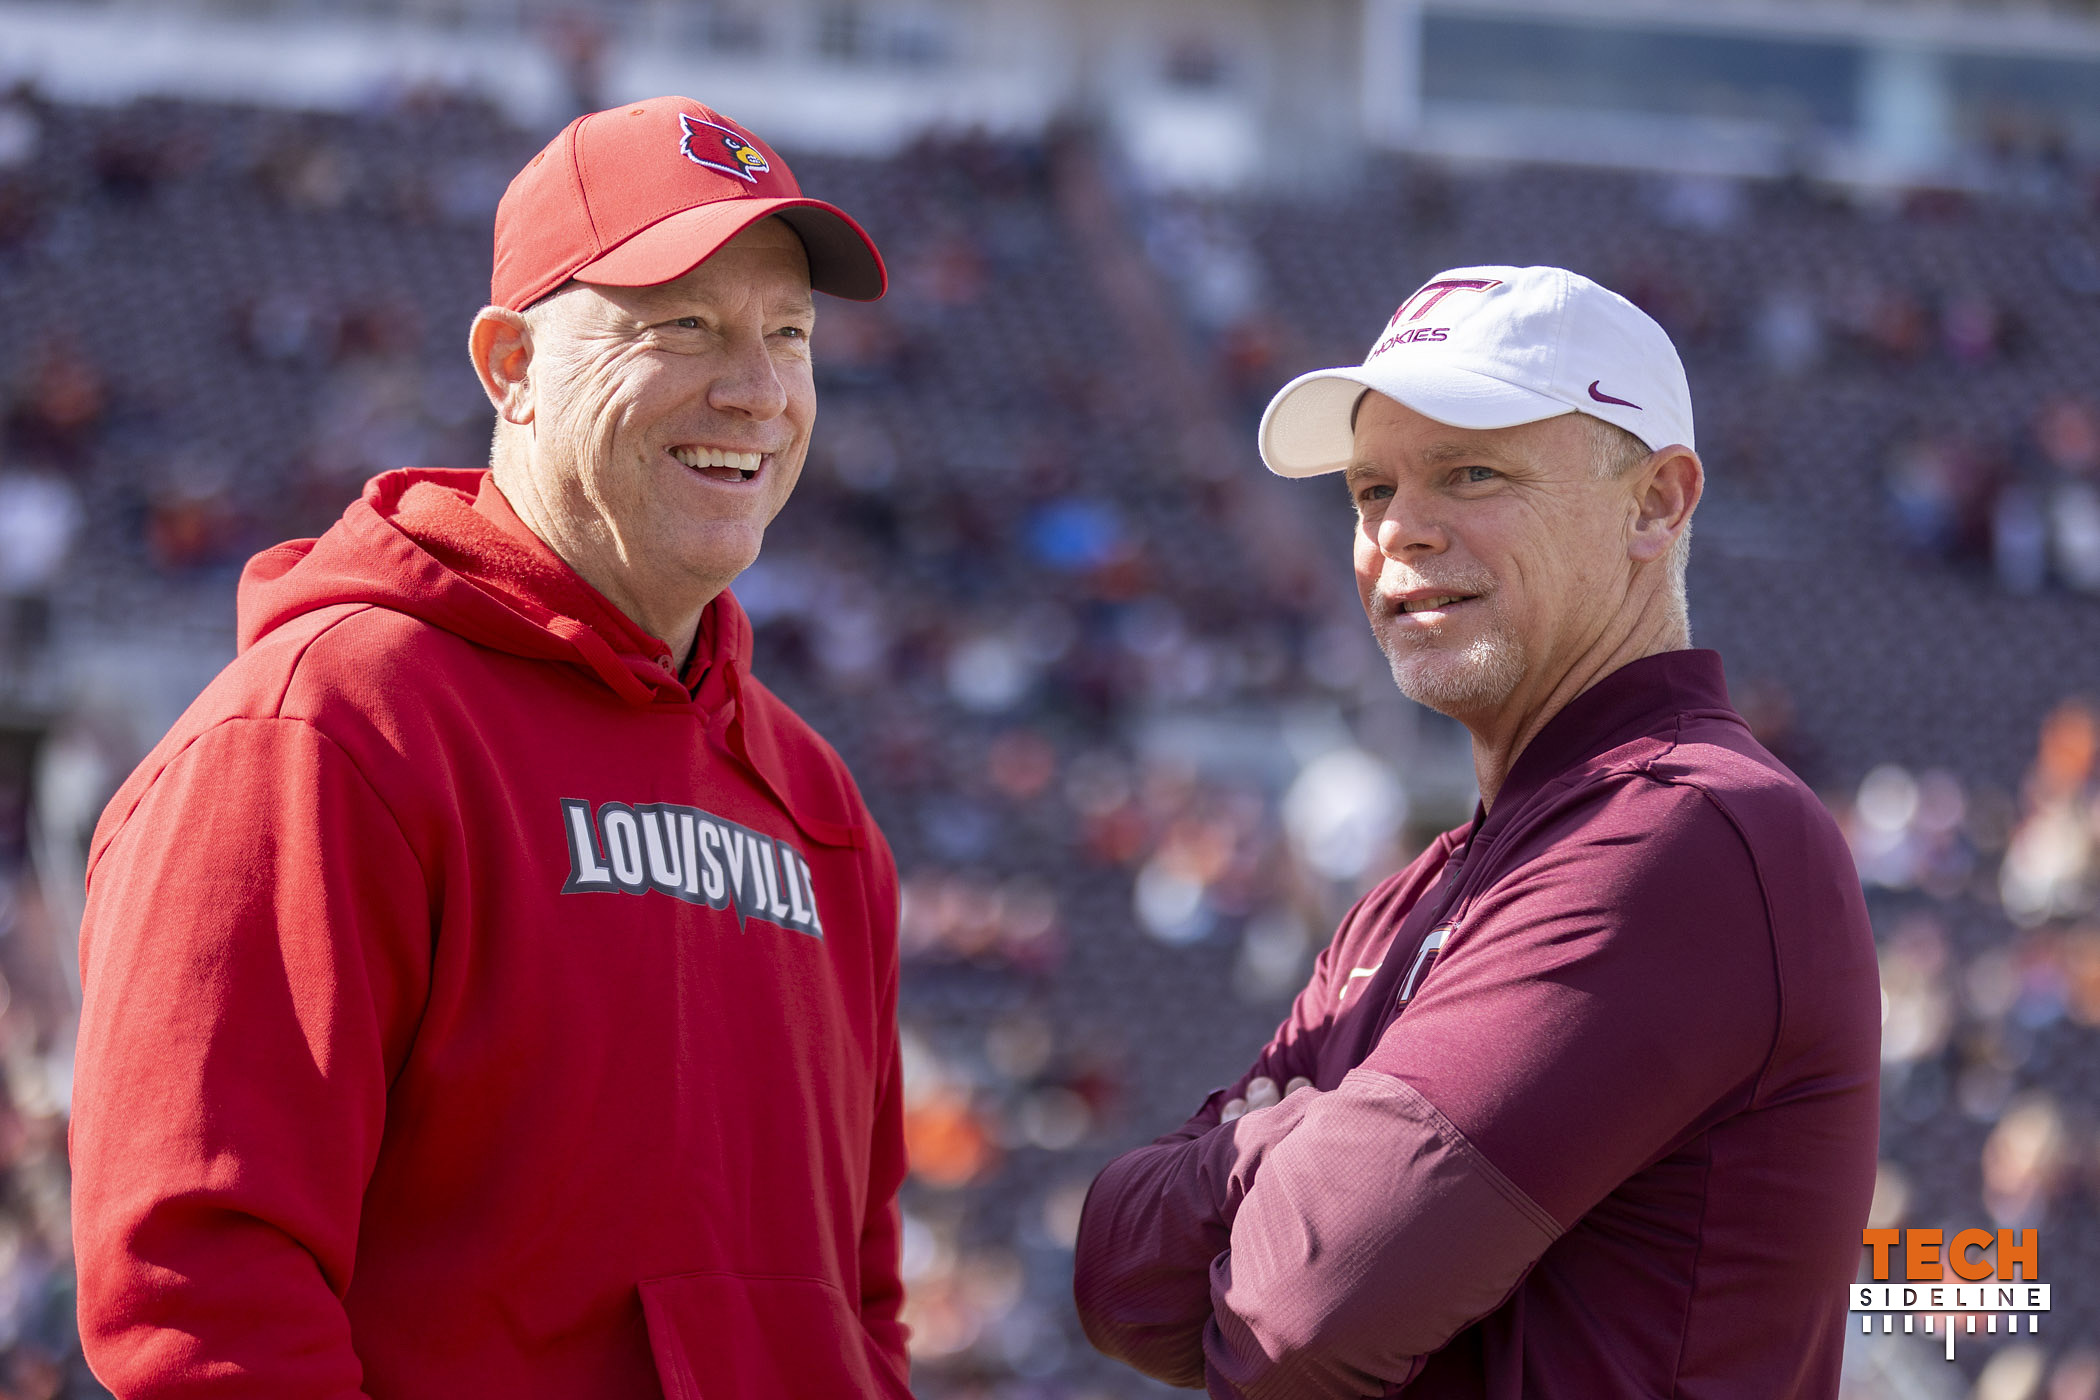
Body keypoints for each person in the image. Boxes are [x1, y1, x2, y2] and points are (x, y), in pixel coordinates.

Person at [69, 96, 912, 1399]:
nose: (755, 389)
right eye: (682, 325)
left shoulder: (817, 803)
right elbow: (204, 1295)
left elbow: (861, 1307)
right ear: (510, 364)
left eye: (788, 333)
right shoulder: (319, 733)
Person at [1072, 266, 1881, 1398]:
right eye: (1371, 489)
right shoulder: (1413, 897)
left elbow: (1300, 1309)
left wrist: (1263, 1149)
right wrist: (1290, 1159)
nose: (1399, 528)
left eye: (1471, 472)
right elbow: (1117, 1282)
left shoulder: (1689, 831)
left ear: (1656, 502)